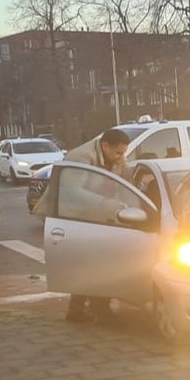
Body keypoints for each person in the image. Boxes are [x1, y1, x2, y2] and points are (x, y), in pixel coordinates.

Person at [60, 127, 132, 325]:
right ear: (105, 146)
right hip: (77, 217)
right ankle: (101, 310)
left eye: (124, 152)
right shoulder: (81, 158)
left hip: (100, 216)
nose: (121, 157)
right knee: (96, 264)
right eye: (118, 152)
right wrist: (103, 203)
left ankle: (76, 310)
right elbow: (71, 192)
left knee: (90, 264)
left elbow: (124, 180)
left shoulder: (115, 157)